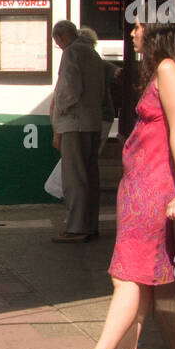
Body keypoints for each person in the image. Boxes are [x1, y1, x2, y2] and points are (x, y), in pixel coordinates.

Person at [54, 22, 175, 349]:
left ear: (158, 28)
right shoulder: (160, 68)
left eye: (139, 24)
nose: (133, 32)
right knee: (139, 274)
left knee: (126, 275)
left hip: (152, 185)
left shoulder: (167, 69)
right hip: (140, 184)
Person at [49, 19, 105, 242]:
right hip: (92, 122)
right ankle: (90, 224)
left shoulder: (72, 53)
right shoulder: (93, 53)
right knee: (90, 176)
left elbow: (69, 89)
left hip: (74, 123)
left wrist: (59, 114)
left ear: (61, 37)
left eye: (57, 43)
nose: (59, 47)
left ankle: (76, 227)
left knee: (74, 178)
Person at [80, 26, 118, 154]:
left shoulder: (93, 63)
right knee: (92, 156)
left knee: (88, 155)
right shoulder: (101, 63)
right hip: (103, 114)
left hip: (98, 115)